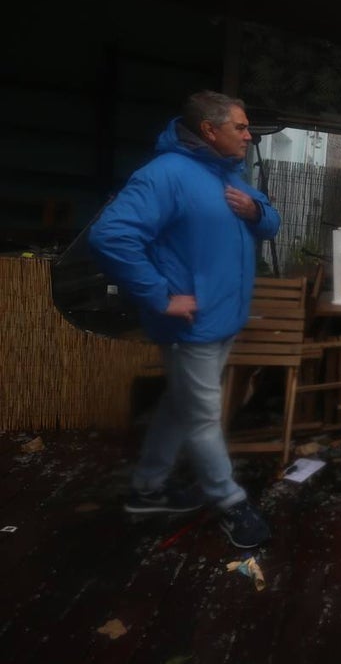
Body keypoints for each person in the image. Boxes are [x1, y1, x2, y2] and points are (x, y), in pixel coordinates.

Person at [89, 90, 280, 549]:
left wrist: (256, 211)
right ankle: (230, 502)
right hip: (189, 327)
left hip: (222, 321)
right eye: (241, 126)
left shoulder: (228, 174)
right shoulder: (166, 176)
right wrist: (159, 295)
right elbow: (110, 235)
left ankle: (147, 488)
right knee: (201, 416)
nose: (248, 135)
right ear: (210, 130)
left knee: (180, 406)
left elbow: (271, 222)